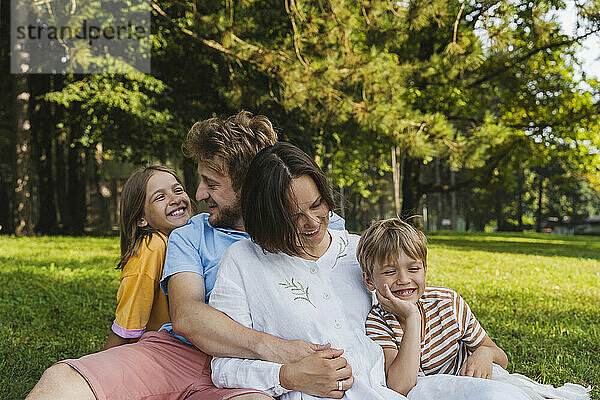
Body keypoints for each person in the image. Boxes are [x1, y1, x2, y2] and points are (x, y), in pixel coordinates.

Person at [26, 111, 347, 400]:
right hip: (180, 353)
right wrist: (278, 349)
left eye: (212, 183)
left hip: (251, 375)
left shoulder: (315, 229)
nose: (199, 194)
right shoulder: (191, 234)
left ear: (249, 186)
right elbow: (188, 315)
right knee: (63, 381)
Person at [358, 217, 591, 400]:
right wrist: (412, 317)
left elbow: (501, 357)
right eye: (389, 272)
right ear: (370, 280)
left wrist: (485, 353)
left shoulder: (448, 302)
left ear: (425, 270)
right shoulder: (377, 323)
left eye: (413, 268)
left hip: (472, 384)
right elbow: (401, 388)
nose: (404, 279)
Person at [104, 165, 192, 349]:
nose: (175, 199)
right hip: (158, 351)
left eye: (178, 190)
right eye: (160, 197)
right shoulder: (152, 246)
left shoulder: (188, 241)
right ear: (141, 219)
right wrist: (98, 364)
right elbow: (129, 318)